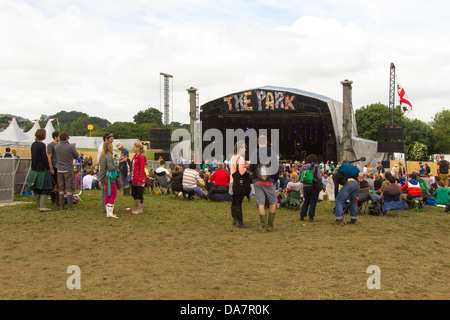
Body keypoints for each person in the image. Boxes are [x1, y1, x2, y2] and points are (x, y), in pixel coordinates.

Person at [249, 135, 280, 232]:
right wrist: (274, 180)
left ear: (258, 142)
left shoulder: (255, 152)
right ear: (267, 142)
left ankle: (263, 226)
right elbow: (276, 168)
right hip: (269, 181)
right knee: (273, 202)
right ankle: (270, 225)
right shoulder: (273, 153)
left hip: (257, 181)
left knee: (261, 203)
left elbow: (251, 168)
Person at [28, 129, 54, 212]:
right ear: (43, 135)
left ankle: (39, 205)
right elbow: (44, 158)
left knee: (36, 188)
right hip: (42, 170)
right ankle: (42, 206)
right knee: (45, 188)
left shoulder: (33, 145)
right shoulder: (42, 145)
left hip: (34, 168)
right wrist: (49, 167)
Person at [55, 132, 79, 210]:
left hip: (59, 169)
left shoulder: (56, 147)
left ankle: (61, 206)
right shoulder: (70, 147)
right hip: (68, 168)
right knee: (69, 187)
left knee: (61, 188)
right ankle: (70, 206)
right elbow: (76, 156)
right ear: (67, 138)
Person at [229, 140, 249, 227]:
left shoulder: (233, 157)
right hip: (238, 183)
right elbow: (241, 172)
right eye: (245, 148)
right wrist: (246, 167)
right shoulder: (240, 158)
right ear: (241, 148)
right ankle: (240, 222)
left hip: (232, 181)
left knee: (233, 202)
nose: (245, 150)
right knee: (238, 202)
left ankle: (235, 219)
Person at [98, 142, 119, 218]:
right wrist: (116, 164)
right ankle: (110, 212)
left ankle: (108, 211)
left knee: (107, 194)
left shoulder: (102, 156)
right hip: (109, 178)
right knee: (113, 194)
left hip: (104, 178)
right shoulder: (108, 156)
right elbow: (110, 167)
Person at [298, 154, 322, 222]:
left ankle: (302, 215)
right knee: (313, 202)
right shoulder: (315, 167)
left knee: (306, 201)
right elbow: (319, 177)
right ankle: (311, 217)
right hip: (313, 186)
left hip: (305, 186)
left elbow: (300, 177)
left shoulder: (303, 167)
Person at [97, 133, 115, 212]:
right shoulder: (103, 148)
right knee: (107, 191)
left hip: (106, 172)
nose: (112, 141)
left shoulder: (105, 148)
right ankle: (106, 207)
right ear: (106, 139)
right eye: (111, 139)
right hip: (106, 172)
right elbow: (107, 163)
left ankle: (108, 207)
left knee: (108, 190)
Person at [129, 142, 147, 214]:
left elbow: (142, 169)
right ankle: (137, 207)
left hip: (139, 178)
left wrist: (140, 179)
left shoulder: (141, 157)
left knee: (139, 193)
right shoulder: (135, 156)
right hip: (134, 177)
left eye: (134, 147)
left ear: (138, 148)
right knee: (133, 193)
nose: (133, 148)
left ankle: (140, 208)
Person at [46, 131, 61, 207]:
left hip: (59, 166)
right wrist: (51, 167)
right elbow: (49, 156)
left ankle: (58, 201)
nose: (60, 138)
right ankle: (53, 201)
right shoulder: (51, 145)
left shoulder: (59, 145)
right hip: (54, 166)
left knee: (58, 184)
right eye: (59, 136)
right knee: (54, 184)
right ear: (55, 137)